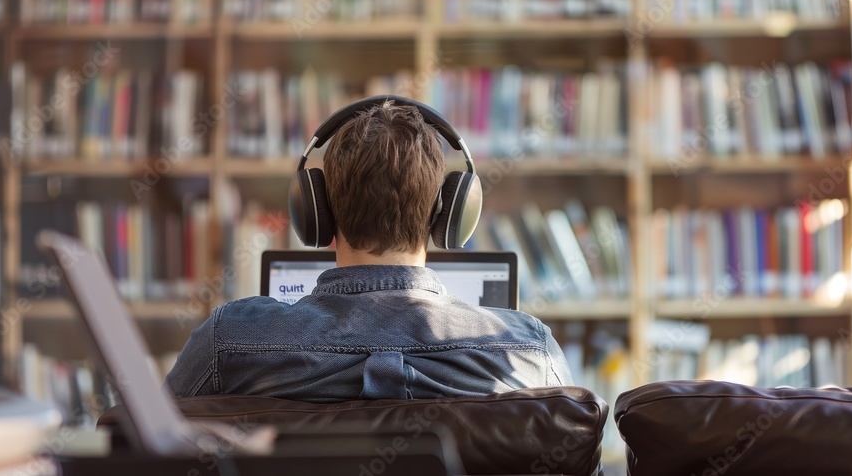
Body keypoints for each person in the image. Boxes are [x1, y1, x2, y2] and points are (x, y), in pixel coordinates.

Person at [164, 98, 574, 402]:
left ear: (318, 215)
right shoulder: (528, 353)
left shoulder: (230, 342)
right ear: (445, 219)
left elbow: (144, 451)